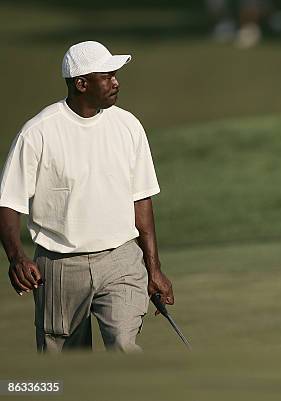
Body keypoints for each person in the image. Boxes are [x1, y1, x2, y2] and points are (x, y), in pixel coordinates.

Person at [0, 41, 174, 352]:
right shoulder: (38, 132)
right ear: (82, 84)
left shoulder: (129, 126)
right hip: (60, 266)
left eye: (115, 75)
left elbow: (141, 199)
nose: (116, 82)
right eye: (107, 76)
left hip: (121, 259)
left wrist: (154, 268)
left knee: (124, 344)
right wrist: (16, 257)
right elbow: (8, 202)